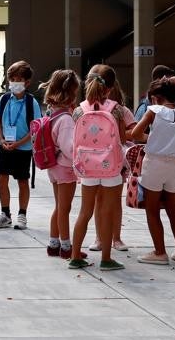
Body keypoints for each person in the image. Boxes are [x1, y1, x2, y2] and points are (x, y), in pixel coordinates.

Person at [131, 76, 175, 265]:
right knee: (174, 209)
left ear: (157, 97)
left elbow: (136, 134)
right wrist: (173, 140)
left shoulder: (154, 111)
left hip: (154, 163)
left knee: (152, 209)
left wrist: (156, 139)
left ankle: (160, 252)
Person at [68, 64, 127, 271]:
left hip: (87, 167)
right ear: (110, 88)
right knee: (107, 211)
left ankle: (75, 256)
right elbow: (122, 138)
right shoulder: (116, 109)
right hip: (111, 167)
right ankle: (106, 259)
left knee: (85, 211)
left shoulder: (78, 110)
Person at [86, 64, 137, 254]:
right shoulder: (86, 109)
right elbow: (135, 134)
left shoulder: (119, 110)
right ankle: (105, 238)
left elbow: (134, 131)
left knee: (107, 200)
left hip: (101, 162)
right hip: (104, 162)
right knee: (107, 200)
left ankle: (112, 237)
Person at [0, 61, 42, 230]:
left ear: (27, 82)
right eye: (12, 79)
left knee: (22, 180)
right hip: (5, 145)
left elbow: (35, 129)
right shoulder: (5, 99)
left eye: (19, 79)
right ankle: (5, 214)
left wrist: (19, 143)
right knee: (2, 178)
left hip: (23, 148)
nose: (14, 83)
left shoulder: (31, 102)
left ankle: (22, 214)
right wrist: (1, 139)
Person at [39, 70, 80, 259]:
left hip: (53, 166)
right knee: (65, 208)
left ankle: (53, 244)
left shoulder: (52, 114)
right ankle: (66, 247)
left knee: (58, 206)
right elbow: (69, 148)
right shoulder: (66, 119)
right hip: (65, 168)